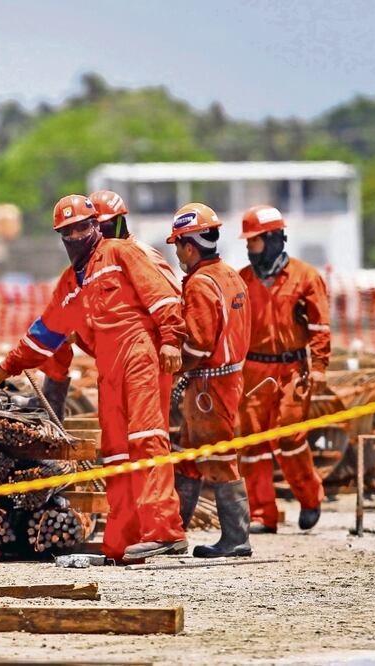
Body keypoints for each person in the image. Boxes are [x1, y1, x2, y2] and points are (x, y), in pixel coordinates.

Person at [0, 194, 188, 563]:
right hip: (108, 366)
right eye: (68, 231)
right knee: (116, 452)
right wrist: (10, 365)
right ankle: (121, 544)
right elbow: (46, 331)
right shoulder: (71, 282)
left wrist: (171, 340)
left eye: (83, 227)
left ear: (97, 226)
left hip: (139, 352)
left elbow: (162, 298)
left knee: (146, 439)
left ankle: (164, 531)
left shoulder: (122, 253)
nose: (76, 236)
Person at [36, 190, 181, 420]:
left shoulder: (140, 254)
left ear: (118, 223)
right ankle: (51, 407)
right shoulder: (99, 262)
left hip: (147, 346)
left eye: (101, 226)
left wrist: (170, 345)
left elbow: (171, 303)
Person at [236, 205, 329, 533]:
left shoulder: (306, 277)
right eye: (248, 242)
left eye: (255, 241)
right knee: (252, 444)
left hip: (293, 369)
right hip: (253, 371)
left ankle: (310, 496)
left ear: (274, 239)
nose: (249, 247)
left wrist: (318, 367)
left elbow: (320, 327)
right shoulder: (242, 280)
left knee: (291, 435)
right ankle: (263, 514)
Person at [166, 203, 252, 558]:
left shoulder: (200, 284)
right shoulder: (229, 274)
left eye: (177, 247)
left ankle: (236, 538)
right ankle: (174, 532)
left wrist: (173, 365)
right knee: (189, 455)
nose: (176, 254)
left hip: (209, 386)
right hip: (223, 380)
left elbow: (199, 343)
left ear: (189, 245)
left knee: (217, 456)